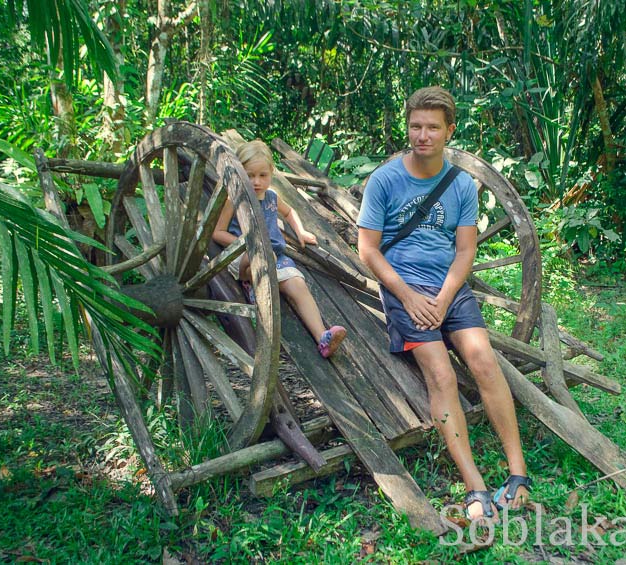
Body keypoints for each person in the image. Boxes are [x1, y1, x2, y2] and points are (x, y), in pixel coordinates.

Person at [357, 86, 530, 520]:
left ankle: (517, 473)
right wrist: (409, 296)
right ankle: (475, 485)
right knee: (439, 372)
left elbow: (466, 250)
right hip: (405, 290)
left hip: (448, 289)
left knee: (483, 361)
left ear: (449, 131)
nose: (422, 135)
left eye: (433, 127)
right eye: (415, 126)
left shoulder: (459, 185)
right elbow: (369, 250)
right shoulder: (384, 181)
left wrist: (445, 295)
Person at [213, 140, 347, 358]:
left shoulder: (272, 197)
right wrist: (247, 244)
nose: (256, 181)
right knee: (256, 259)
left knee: (298, 285)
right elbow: (217, 232)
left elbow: (290, 211)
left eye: (262, 175)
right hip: (243, 257)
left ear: (271, 173)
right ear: (239, 173)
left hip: (275, 257)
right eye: (250, 175)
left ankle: (322, 337)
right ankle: (251, 285)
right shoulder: (233, 199)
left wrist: (301, 231)